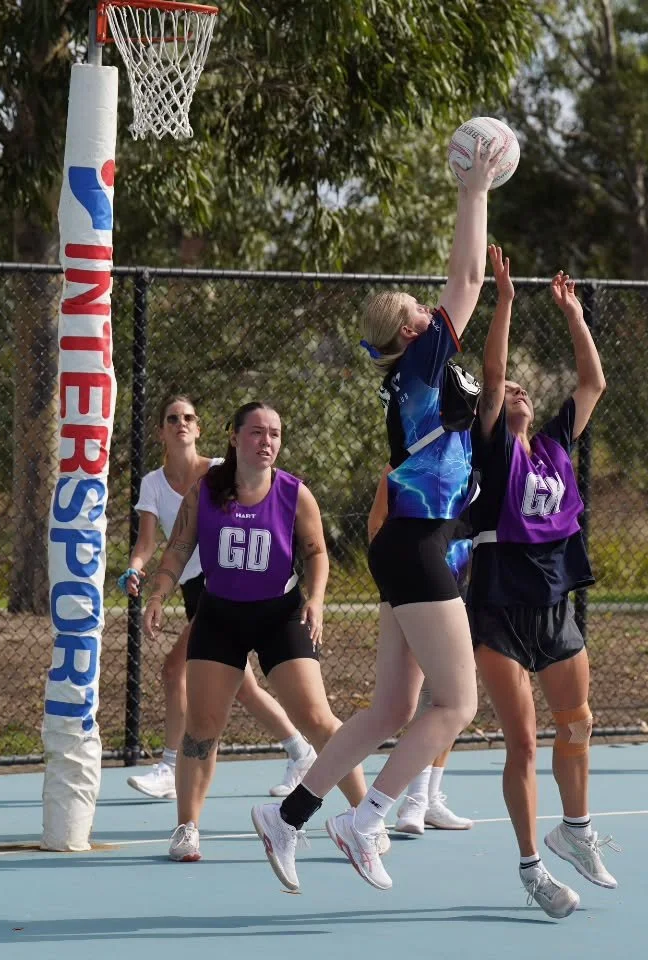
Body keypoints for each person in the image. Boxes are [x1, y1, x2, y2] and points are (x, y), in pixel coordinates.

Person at [250, 135, 504, 893]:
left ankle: (288, 814)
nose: (437, 308)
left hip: (404, 543)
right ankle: (369, 818)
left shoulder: (413, 373)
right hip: (420, 544)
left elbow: (457, 298)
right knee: (456, 701)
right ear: (410, 332)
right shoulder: (423, 361)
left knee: (393, 704)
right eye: (424, 311)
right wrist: (474, 188)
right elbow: (464, 276)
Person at [142, 402, 369, 863]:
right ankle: (187, 828)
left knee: (318, 719)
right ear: (234, 437)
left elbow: (317, 553)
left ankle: (365, 818)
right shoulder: (206, 491)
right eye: (257, 433)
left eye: (275, 434)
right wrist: (158, 593)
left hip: (279, 614)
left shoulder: (293, 493)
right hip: (220, 614)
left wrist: (317, 599)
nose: (267, 442)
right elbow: (179, 548)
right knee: (202, 727)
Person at [467, 255, 615, 918]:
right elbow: (493, 375)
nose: (521, 392)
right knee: (521, 742)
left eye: (530, 390)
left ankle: (575, 830)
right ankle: (531, 867)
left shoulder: (556, 442)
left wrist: (574, 316)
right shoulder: (495, 446)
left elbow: (592, 382)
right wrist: (504, 301)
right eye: (514, 392)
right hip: (499, 607)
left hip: (554, 602)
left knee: (578, 723)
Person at [120, 395, 316, 801]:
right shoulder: (154, 484)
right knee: (242, 688)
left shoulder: (222, 473)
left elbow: (282, 520)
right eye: (172, 418)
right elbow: (149, 542)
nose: (181, 424)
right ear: (160, 431)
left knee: (175, 670)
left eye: (189, 417)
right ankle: (300, 750)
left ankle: (169, 764)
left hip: (228, 590)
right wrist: (138, 570)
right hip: (199, 594)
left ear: (201, 428)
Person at [366, 465, 475, 835]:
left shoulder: (471, 464)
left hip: (457, 580)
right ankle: (411, 801)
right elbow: (376, 526)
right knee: (421, 698)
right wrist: (393, 586)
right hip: (415, 586)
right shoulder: (400, 468)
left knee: (448, 698)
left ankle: (428, 796)